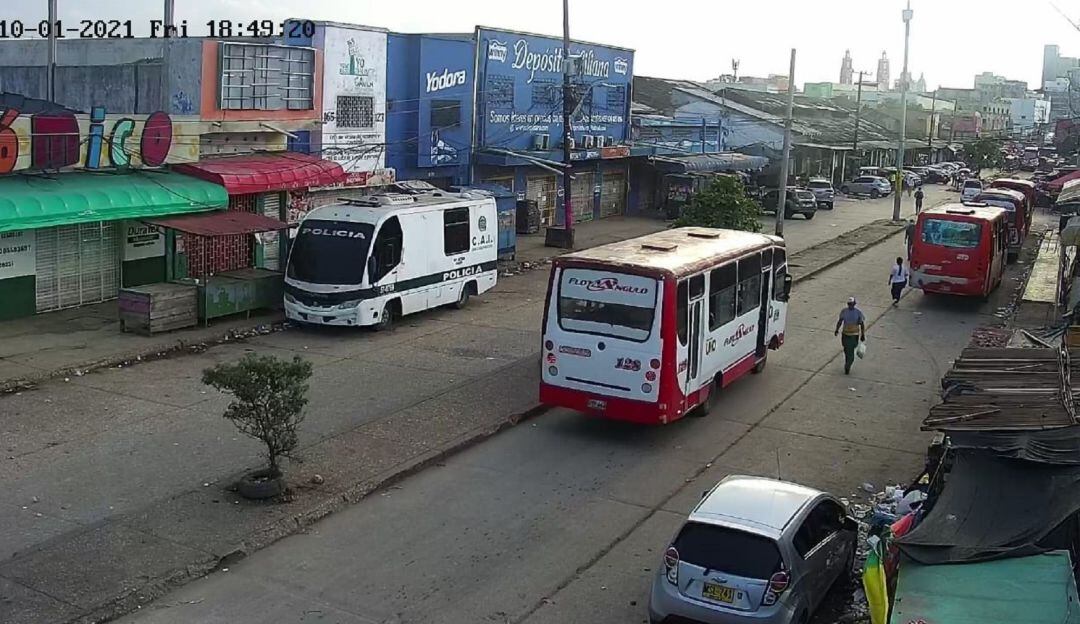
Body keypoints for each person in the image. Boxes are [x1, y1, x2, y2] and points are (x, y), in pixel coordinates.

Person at [834, 297, 866, 375]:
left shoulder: (858, 313)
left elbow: (861, 324)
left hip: (854, 335)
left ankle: (847, 365)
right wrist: (837, 329)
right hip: (845, 334)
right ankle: (848, 363)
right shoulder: (844, 312)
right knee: (847, 350)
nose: (850, 305)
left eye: (851, 304)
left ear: (854, 304)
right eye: (849, 304)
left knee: (850, 351)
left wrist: (862, 334)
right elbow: (840, 321)